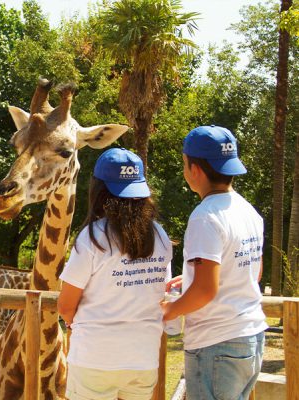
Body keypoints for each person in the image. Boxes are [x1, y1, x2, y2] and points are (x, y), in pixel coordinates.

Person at [58, 148, 173, 400]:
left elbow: (66, 306)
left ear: (98, 189)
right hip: (143, 358)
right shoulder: (160, 236)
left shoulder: (92, 238)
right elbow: (160, 294)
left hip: (94, 358)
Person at [162, 125, 267, 400]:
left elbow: (205, 291)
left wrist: (169, 310)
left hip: (216, 344)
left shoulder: (205, 216)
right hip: (251, 338)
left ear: (194, 170)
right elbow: (252, 272)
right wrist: (193, 276)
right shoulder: (248, 211)